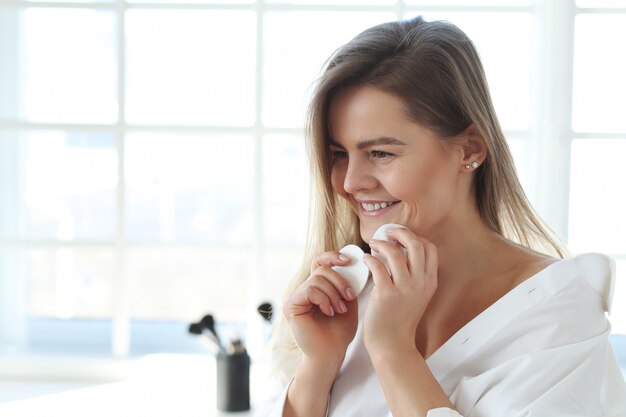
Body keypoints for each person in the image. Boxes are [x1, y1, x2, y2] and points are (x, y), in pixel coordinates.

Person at [256, 16, 626, 417]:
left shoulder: (557, 317)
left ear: (469, 149)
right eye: (339, 154)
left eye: (380, 153)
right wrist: (319, 366)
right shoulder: (345, 299)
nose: (350, 182)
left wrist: (394, 350)